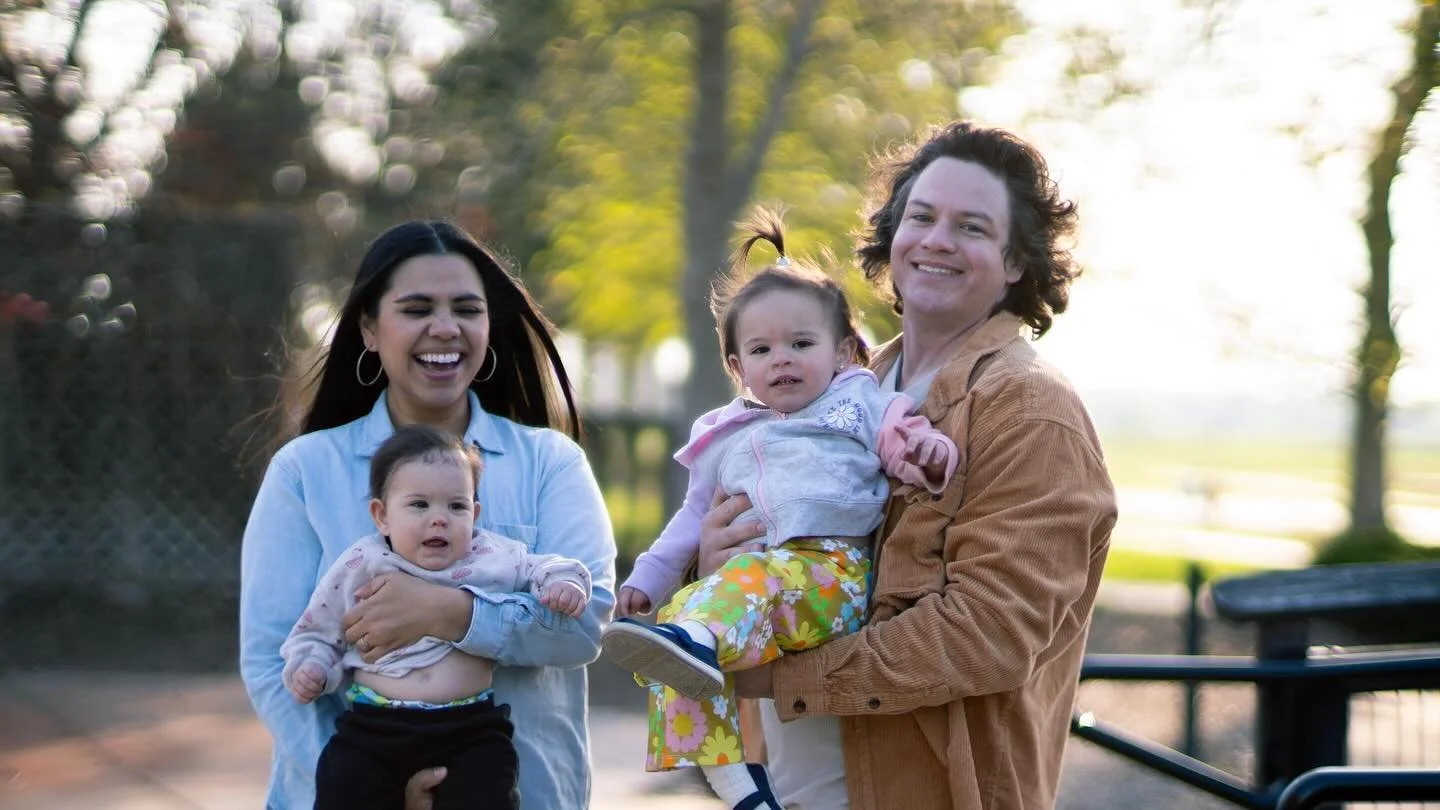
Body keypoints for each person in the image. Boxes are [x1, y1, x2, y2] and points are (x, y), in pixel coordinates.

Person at [700, 121, 1119, 809]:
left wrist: (783, 679)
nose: (937, 240)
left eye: (972, 227)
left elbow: (989, 631)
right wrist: (714, 566)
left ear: (1017, 263)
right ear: (892, 237)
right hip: (792, 785)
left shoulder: (1028, 409)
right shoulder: (846, 386)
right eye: (921, 216)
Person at [240, 219, 617, 810]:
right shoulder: (305, 470)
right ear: (369, 328)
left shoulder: (551, 463)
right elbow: (271, 658)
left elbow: (584, 623)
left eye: (467, 309)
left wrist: (450, 612)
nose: (445, 328)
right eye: (417, 309)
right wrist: (372, 794)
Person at [600, 213, 958, 810]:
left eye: (801, 343)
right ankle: (739, 786)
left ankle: (697, 638)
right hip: (757, 591)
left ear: (845, 351)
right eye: (762, 349)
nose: (783, 360)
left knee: (730, 600)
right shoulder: (727, 434)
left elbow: (908, 441)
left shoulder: (858, 403)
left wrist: (930, 452)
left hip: (833, 579)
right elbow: (692, 519)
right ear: (738, 367)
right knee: (678, 624)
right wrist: (649, 578)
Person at [281, 424, 592, 809]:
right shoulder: (362, 563)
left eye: (456, 506)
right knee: (344, 780)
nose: (440, 518)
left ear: (474, 513)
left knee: (487, 790)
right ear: (381, 515)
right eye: (419, 505)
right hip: (374, 726)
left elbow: (545, 567)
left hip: (469, 727)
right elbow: (319, 631)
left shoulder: (488, 554)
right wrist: (312, 667)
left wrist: (563, 583)